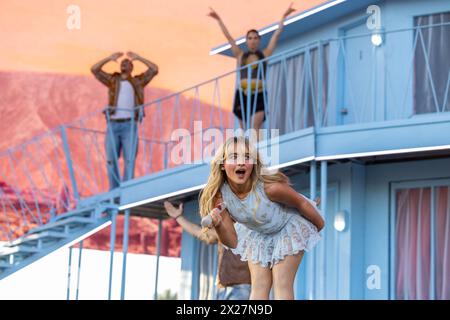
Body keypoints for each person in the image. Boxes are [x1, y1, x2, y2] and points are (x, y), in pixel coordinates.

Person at [199, 136, 325, 300]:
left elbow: (301, 203)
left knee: (282, 283)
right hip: (259, 233)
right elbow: (232, 242)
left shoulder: (269, 189)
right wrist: (219, 225)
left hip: (287, 226)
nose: (241, 162)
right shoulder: (221, 198)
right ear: (222, 165)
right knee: (258, 287)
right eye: (234, 157)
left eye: (247, 157)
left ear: (253, 164)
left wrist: (318, 225)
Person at [208, 4, 296, 138]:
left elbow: (276, 36)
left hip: (259, 93)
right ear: (246, 41)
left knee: (255, 127)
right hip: (242, 93)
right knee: (243, 130)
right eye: (250, 38)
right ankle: (245, 151)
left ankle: (256, 152)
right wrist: (218, 19)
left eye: (255, 38)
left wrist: (284, 17)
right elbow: (229, 38)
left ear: (259, 40)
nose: (253, 41)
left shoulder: (264, 54)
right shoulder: (240, 55)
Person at [91, 52, 158, 189]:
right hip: (113, 123)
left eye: (127, 63)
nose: (124, 64)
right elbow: (95, 70)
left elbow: (154, 69)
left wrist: (139, 57)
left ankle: (127, 187)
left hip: (130, 124)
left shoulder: (138, 81)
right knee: (111, 159)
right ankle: (114, 188)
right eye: (122, 63)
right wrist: (109, 59)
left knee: (129, 159)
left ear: (132, 67)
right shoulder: (113, 80)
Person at [163, 201, 251, 300]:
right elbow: (199, 232)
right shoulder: (224, 230)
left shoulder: (249, 227)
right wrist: (178, 217)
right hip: (223, 287)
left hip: (243, 287)